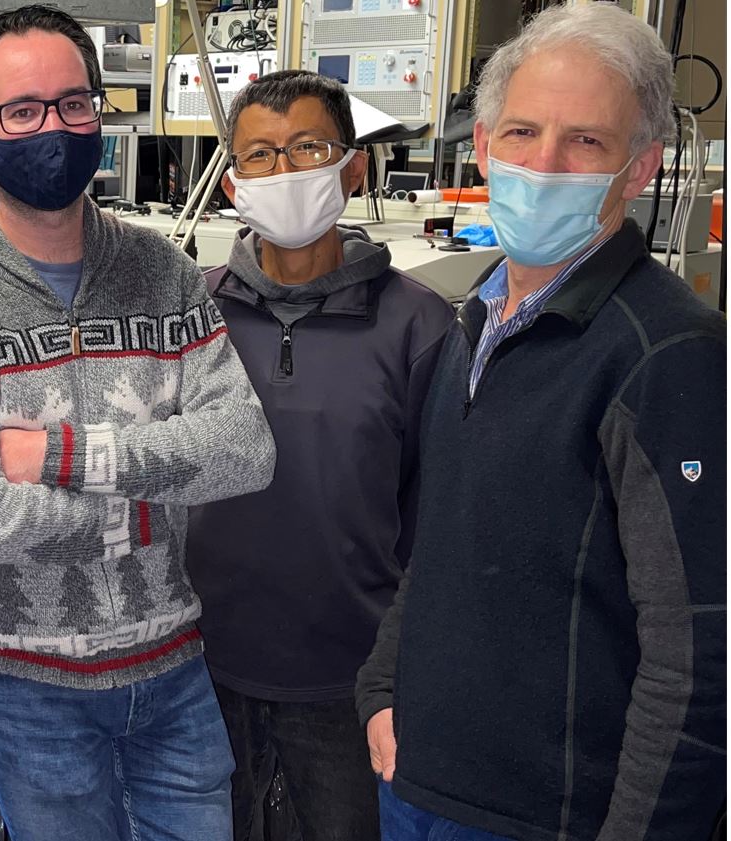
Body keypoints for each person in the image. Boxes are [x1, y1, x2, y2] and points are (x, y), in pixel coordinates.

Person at [0, 6, 276, 840]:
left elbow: (244, 450)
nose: (54, 129)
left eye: (73, 104)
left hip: (171, 666)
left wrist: (57, 453)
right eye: (22, 111)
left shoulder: (162, 273)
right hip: (24, 683)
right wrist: (145, 506)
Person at [355, 5, 726, 840]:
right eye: (522, 132)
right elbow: (442, 542)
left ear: (639, 168)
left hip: (543, 817)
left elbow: (697, 653)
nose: (544, 164)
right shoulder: (477, 317)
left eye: (585, 141)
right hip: (418, 779)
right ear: (484, 147)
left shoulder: (666, 354)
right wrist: (381, 688)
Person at [185, 69, 452, 841]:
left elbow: (438, 520)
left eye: (307, 147)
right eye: (259, 155)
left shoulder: (419, 327)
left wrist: (400, 674)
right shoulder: (193, 315)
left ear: (353, 167)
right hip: (203, 667)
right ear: (232, 184)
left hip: (352, 681)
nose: (284, 171)